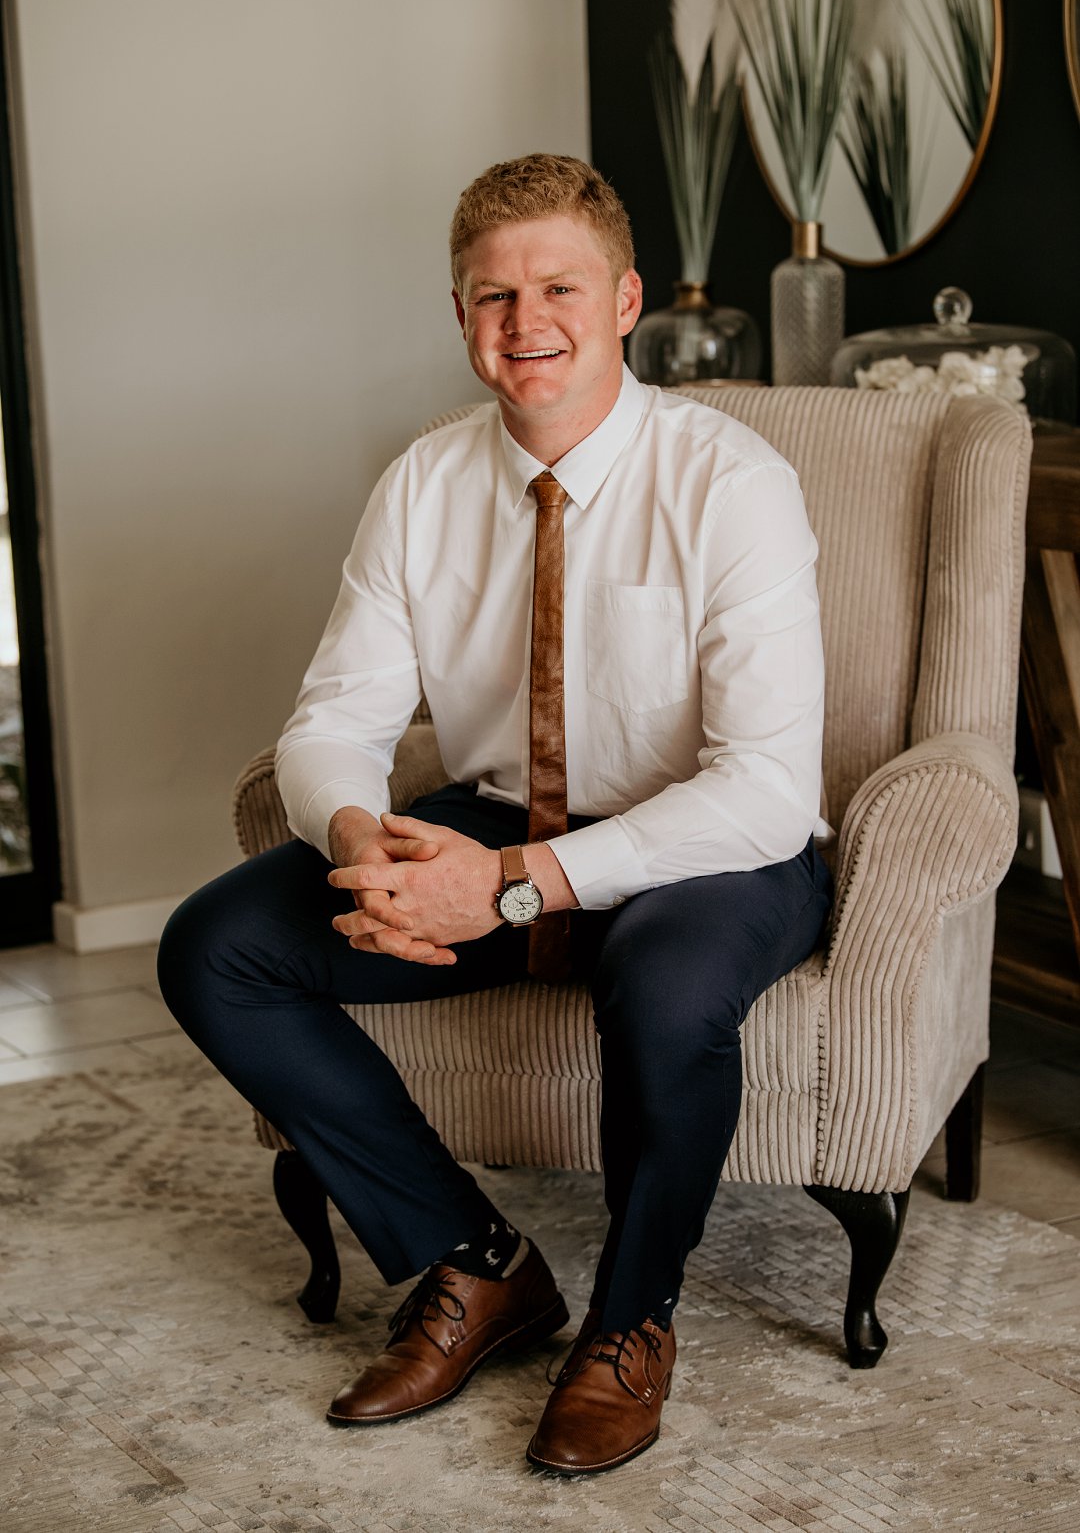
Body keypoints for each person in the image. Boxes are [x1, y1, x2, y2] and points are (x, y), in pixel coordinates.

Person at [158, 153, 833, 1476]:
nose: (526, 323)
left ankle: (629, 1325)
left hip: (709, 850)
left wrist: (511, 884)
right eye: (493, 296)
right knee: (216, 947)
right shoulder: (421, 485)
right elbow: (332, 725)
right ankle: (478, 1264)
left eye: (559, 287)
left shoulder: (731, 482)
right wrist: (363, 845)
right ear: (461, 314)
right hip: (492, 822)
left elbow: (764, 789)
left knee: (669, 988)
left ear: (625, 300)